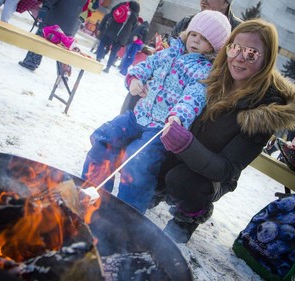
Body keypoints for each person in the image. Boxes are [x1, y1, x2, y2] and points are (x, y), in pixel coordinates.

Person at [152, 19, 295, 243]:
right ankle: (155, 189)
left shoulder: (264, 110)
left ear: (266, 60)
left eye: (251, 54)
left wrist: (185, 144)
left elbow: (226, 169)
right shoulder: (213, 76)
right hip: (183, 151)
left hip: (211, 176)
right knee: (149, 159)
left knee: (182, 181)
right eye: (235, 48)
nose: (238, 58)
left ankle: (189, 217)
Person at [81, 10, 232, 214]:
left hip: (161, 130)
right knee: (105, 138)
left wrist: (178, 116)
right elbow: (146, 65)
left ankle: (127, 213)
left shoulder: (204, 71)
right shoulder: (169, 52)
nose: (196, 41)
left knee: (138, 160)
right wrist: (135, 79)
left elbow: (194, 98)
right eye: (194, 34)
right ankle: (94, 193)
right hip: (138, 115)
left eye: (204, 40)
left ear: (214, 47)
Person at [120, 0, 242, 114]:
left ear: (226, 2)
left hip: (192, 105)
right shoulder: (188, 22)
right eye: (193, 35)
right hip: (153, 95)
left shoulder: (238, 32)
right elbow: (163, 55)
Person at [18, 0, 87, 72]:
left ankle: (31, 62)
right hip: (70, 25)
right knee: (65, 51)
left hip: (53, 20)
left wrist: (44, 8)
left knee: (40, 38)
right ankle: (64, 73)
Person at [96, 1, 140, 73]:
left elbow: (113, 11)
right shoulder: (135, 16)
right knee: (114, 52)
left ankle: (99, 57)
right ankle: (108, 67)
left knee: (103, 43)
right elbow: (134, 28)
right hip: (122, 36)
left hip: (112, 29)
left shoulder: (123, 6)